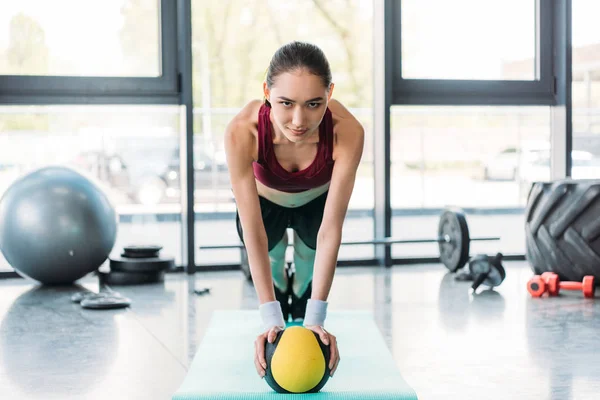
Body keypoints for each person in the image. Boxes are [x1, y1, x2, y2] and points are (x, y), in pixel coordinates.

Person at [224, 41, 364, 380]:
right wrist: (269, 318)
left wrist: (317, 317)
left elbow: (331, 229)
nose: (299, 120)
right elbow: (253, 231)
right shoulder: (242, 131)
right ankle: (282, 298)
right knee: (273, 263)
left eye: (314, 104)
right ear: (266, 92)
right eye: (286, 103)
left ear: (330, 93)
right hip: (264, 204)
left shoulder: (349, 132)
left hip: (315, 201)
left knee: (305, 268)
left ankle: (299, 301)